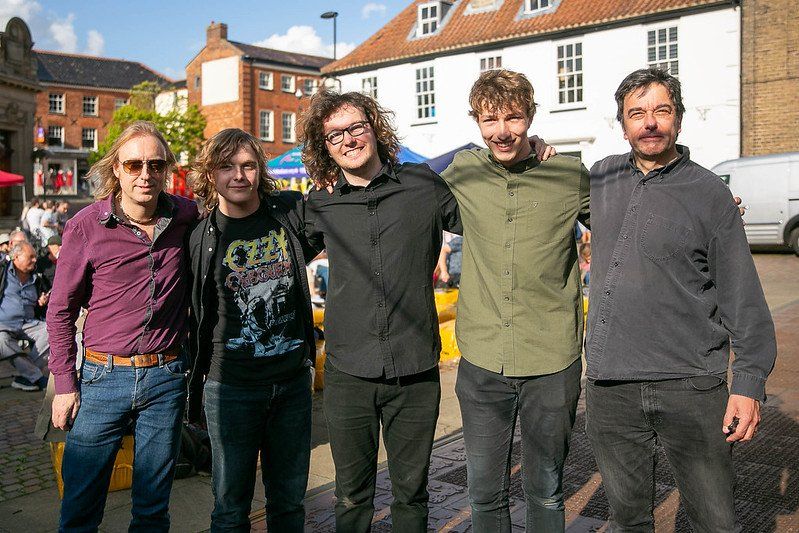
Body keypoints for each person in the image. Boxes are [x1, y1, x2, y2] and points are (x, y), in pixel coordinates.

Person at [584, 67, 777, 531]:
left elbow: (742, 297)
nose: (649, 122)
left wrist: (748, 385)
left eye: (661, 110)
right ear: (623, 122)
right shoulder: (600, 177)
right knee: (628, 520)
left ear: (679, 119)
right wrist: (537, 150)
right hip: (611, 386)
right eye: (637, 113)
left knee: (715, 521)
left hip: (691, 384)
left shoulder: (710, 194)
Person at [298, 90, 462, 532]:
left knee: (412, 495)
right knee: (352, 497)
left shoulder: (422, 186)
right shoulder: (320, 203)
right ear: (324, 146)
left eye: (355, 127)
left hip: (415, 367)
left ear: (374, 128)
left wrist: (530, 154)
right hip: (349, 371)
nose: (348, 139)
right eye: (334, 135)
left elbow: (485, 218)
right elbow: (275, 248)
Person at [441, 69, 589, 532]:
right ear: (476, 122)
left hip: (551, 359)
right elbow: (399, 190)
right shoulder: (461, 171)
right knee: (484, 494)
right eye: (489, 120)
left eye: (513, 117)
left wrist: (709, 208)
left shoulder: (568, 174)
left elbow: (631, 211)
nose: (502, 131)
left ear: (531, 116)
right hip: (484, 361)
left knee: (545, 489)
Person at [47, 120, 197, 531]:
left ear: (166, 169)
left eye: (155, 164)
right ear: (117, 169)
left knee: (152, 509)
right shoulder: (86, 226)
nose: (145, 174)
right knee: (80, 507)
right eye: (134, 165)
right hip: (101, 378)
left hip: (165, 378)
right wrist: (64, 384)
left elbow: (237, 205)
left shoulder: (186, 215)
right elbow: (60, 310)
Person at [186, 128, 317, 532]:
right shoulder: (201, 237)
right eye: (227, 167)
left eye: (247, 165)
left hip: (292, 384)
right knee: (230, 505)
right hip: (231, 389)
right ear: (212, 175)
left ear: (260, 170)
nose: (238, 176)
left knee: (290, 502)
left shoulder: (290, 213)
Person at [0, 242, 50, 392]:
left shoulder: (36, 277)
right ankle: (35, 376)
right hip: (4, 323)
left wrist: (42, 301)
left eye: (35, 257)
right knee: (1, 339)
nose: (35, 260)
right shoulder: (2, 272)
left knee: (53, 329)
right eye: (31, 257)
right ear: (16, 257)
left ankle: (28, 376)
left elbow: (44, 296)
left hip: (29, 323)